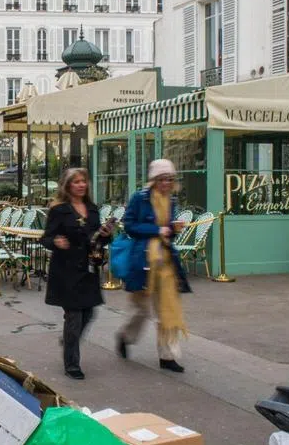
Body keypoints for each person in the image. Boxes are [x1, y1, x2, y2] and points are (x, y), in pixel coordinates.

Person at [116, 158, 192, 372]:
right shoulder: (140, 198)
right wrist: (157, 230)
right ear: (154, 180)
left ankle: (167, 357)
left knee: (167, 309)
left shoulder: (171, 201)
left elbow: (168, 230)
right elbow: (129, 226)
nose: (167, 183)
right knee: (141, 310)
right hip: (143, 261)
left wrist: (173, 229)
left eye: (170, 179)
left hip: (165, 262)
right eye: (163, 179)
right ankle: (125, 336)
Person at [41, 168, 115, 380]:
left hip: (88, 269)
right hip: (66, 270)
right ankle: (72, 363)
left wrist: (105, 235)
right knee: (74, 316)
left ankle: (69, 340)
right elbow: (46, 238)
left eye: (84, 181)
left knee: (89, 313)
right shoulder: (59, 210)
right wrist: (55, 241)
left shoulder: (92, 209)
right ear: (68, 186)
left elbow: (96, 240)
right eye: (77, 182)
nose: (82, 185)